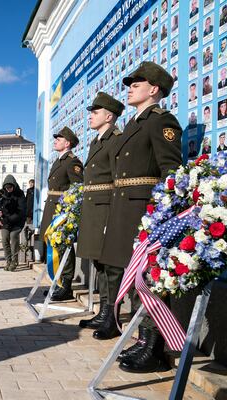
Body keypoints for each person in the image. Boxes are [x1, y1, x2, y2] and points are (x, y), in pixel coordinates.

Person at [99, 61, 182, 373]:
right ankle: (142, 342)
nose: (131, 87)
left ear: (154, 89)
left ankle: (154, 348)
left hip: (143, 210)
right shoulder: (134, 124)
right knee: (132, 278)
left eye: (138, 82)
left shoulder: (161, 121)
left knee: (147, 278)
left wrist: (160, 215)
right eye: (131, 82)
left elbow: (171, 171)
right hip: (124, 207)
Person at [75, 92, 125, 338]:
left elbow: (118, 180)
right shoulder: (97, 141)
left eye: (95, 113)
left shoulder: (116, 139)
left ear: (109, 116)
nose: (91, 117)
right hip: (94, 209)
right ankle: (104, 312)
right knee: (100, 263)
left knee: (112, 267)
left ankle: (112, 317)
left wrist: (113, 217)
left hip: (107, 208)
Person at [40, 126, 84, 301]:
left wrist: (68, 212)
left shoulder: (72, 162)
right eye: (56, 139)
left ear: (67, 143)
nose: (55, 141)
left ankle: (66, 285)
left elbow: (77, 188)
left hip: (61, 211)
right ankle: (57, 283)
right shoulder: (59, 161)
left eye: (59, 139)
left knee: (63, 246)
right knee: (55, 247)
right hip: (52, 207)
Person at [0, 175, 26, 271]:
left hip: (17, 222)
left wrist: (10, 219)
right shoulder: (1, 192)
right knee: (4, 240)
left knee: (13, 238)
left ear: (14, 186)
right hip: (5, 222)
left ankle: (14, 261)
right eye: (7, 188)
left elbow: (21, 211)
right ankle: (8, 260)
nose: (8, 190)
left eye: (10, 187)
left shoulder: (19, 194)